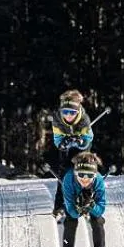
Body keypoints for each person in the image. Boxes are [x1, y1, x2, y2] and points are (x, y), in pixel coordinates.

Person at [59, 150, 108, 247]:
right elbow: (71, 211)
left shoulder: (98, 181)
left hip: (91, 206)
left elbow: (100, 209)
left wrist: (91, 205)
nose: (85, 180)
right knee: (70, 222)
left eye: (89, 176)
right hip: (74, 206)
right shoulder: (68, 180)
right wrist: (78, 208)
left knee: (98, 222)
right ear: (75, 174)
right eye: (81, 175)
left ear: (94, 175)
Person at [47, 89, 93, 220]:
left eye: (71, 112)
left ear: (77, 111)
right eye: (65, 112)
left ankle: (86, 201)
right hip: (66, 148)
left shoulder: (84, 120)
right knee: (64, 172)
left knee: (85, 170)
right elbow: (57, 139)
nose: (68, 116)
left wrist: (80, 141)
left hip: (82, 148)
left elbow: (88, 138)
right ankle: (60, 206)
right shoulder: (57, 120)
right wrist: (63, 143)